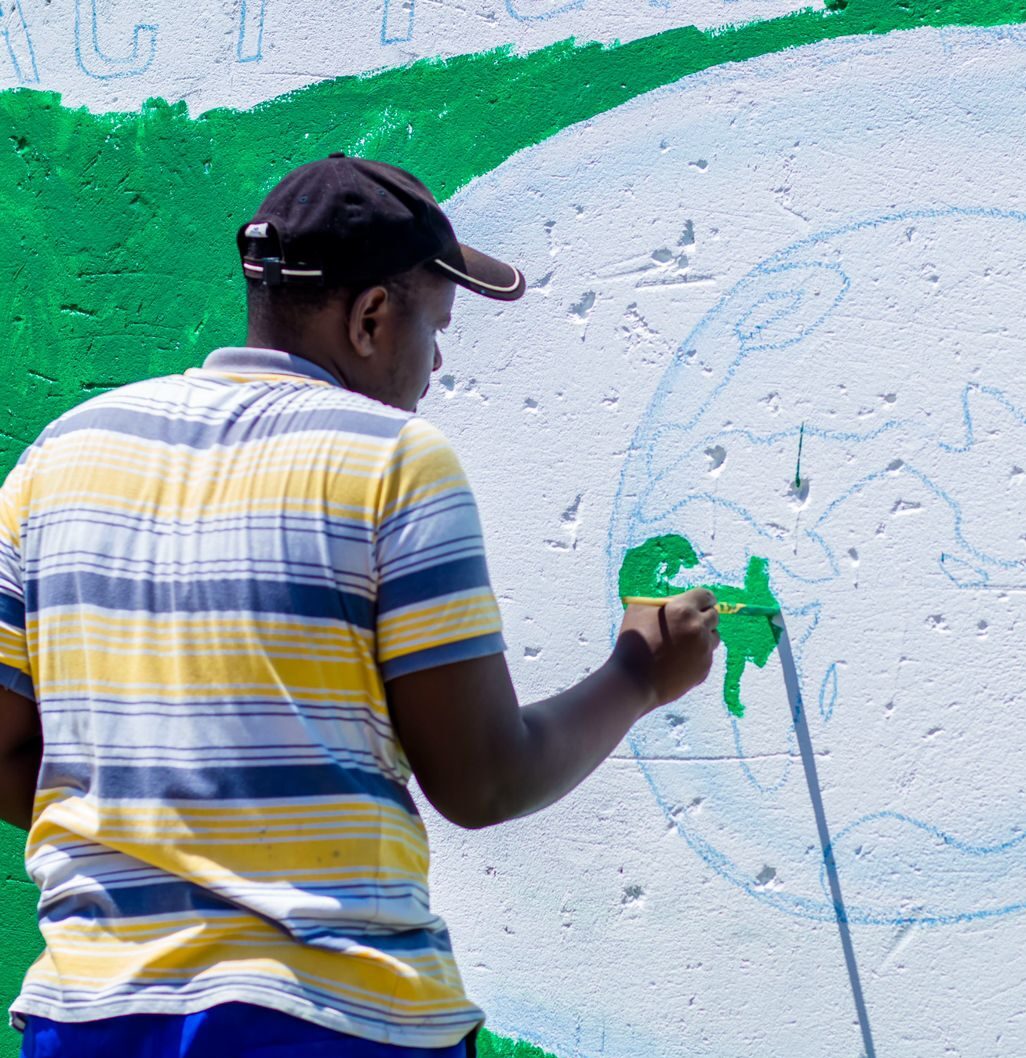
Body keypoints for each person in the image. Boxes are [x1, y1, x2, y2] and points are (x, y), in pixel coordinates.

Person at [0, 154, 720, 1058]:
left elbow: (9, 754)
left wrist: (169, 834)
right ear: (372, 317)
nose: (438, 361)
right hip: (328, 1018)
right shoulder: (393, 458)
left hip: (89, 1018)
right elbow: (484, 781)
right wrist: (640, 674)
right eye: (436, 325)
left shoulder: (58, 456)